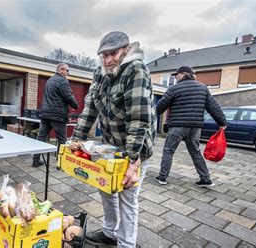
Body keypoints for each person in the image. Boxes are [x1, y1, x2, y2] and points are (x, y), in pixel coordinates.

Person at [71, 31, 156, 247]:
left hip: (136, 146)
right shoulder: (100, 73)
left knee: (127, 195)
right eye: (104, 55)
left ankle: (126, 243)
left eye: (113, 54)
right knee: (105, 187)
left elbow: (139, 118)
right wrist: (75, 140)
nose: (108, 60)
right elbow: (90, 107)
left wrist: (133, 160)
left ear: (126, 50)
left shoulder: (136, 70)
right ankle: (110, 233)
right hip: (111, 145)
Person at [154, 65, 227, 187]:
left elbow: (160, 107)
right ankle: (206, 179)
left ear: (183, 74)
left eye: (176, 75)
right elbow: (213, 106)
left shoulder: (174, 88)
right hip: (195, 127)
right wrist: (222, 122)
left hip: (178, 125)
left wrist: (150, 116)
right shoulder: (203, 88)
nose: (175, 77)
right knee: (195, 152)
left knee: (168, 150)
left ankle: (162, 177)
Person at [32, 63, 78, 167]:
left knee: (41, 137)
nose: (68, 73)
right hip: (57, 115)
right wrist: (76, 105)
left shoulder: (50, 80)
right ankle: (61, 163)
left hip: (45, 114)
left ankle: (35, 161)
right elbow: (69, 96)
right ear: (61, 70)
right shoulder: (63, 81)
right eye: (67, 70)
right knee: (62, 140)